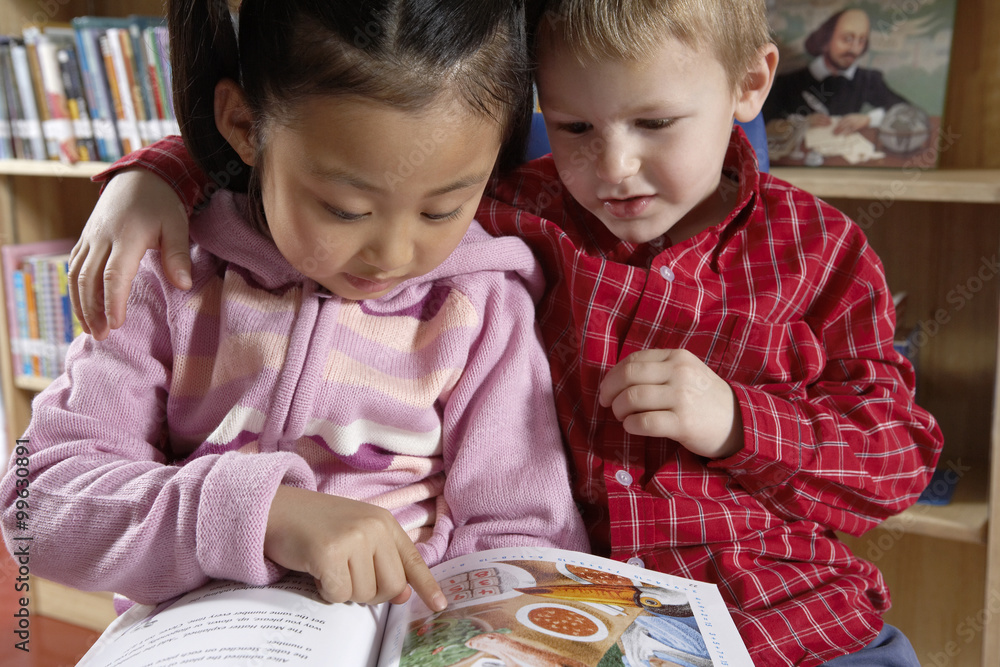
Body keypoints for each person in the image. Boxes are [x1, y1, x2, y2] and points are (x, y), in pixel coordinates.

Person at [64, 0, 944, 664]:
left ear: (752, 85)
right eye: (574, 127)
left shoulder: (817, 253)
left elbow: (900, 460)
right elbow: (366, 143)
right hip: (562, 616)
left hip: (802, 619)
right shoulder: (518, 219)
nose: (617, 167)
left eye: (656, 124)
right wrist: (150, 177)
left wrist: (740, 423)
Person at [0, 0, 590, 615]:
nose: (391, 254)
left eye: (442, 209)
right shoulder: (172, 277)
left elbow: (524, 533)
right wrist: (262, 515)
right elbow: (35, 504)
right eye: (345, 209)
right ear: (244, 126)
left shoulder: (480, 309)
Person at [763, 7, 911, 135]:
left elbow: (904, 109)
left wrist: (868, 119)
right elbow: (763, 121)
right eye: (847, 39)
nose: (854, 49)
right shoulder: (789, 82)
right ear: (825, 41)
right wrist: (800, 123)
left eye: (861, 41)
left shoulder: (868, 80)